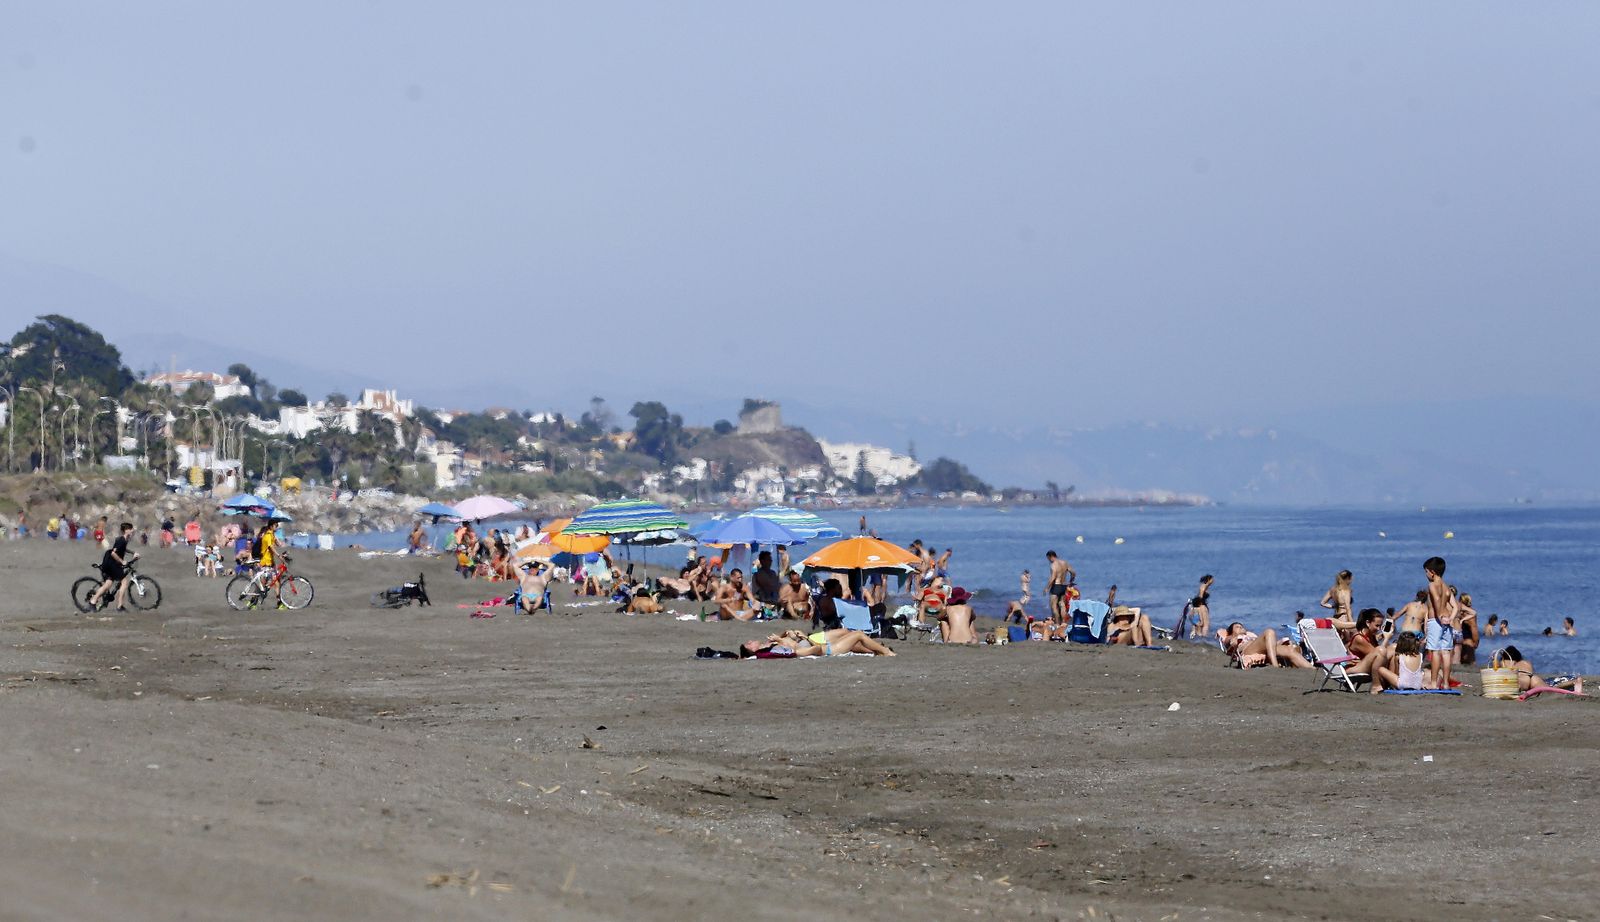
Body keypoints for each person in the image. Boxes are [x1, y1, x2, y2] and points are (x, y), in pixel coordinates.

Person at [1423, 557, 1458, 690]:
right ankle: (1446, 683)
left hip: (1436, 621)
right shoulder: (1447, 587)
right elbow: (1455, 607)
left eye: (1426, 572)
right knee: (1446, 653)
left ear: (1432, 572)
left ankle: (1433, 683)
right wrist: (1450, 619)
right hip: (1447, 622)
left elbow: (1437, 601)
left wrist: (1440, 616)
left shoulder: (1432, 585)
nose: (1426, 575)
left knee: (1436, 652)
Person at [739, 628, 895, 658]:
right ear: (752, 650)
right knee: (858, 635)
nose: (750, 641)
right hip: (828, 650)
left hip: (823, 647)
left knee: (855, 634)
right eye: (748, 644)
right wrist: (805, 639)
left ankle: (881, 651)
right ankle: (886, 652)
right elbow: (795, 650)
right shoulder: (772, 651)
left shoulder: (768, 647)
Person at [89, 522, 138, 610]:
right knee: (124, 582)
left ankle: (93, 601)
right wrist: (122, 561)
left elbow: (122, 549)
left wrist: (133, 553)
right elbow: (113, 553)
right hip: (111, 563)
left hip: (111, 562)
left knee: (108, 584)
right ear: (126, 530)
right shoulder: (121, 540)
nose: (133, 531)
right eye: (131, 529)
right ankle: (119, 606)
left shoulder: (124, 539)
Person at [1499, 646, 1583, 695]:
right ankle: (1574, 682)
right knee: (1550, 689)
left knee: (1549, 689)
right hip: (1531, 678)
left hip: (1518, 679)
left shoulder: (1503, 662)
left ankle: (1574, 682)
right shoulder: (1525, 663)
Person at [1045, 550, 1075, 623]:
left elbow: (1053, 577)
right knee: (1062, 605)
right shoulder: (1064, 563)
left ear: (1050, 557)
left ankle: (1057, 624)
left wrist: (1047, 588)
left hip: (1056, 586)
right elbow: (1073, 573)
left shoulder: (1053, 565)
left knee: (1053, 606)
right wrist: (1071, 581)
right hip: (1064, 586)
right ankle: (1064, 623)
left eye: (1048, 559)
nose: (1049, 561)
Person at [1455, 592, 1480, 666]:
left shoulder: (1457, 612)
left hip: (1459, 640)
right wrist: (1476, 642)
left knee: (1459, 662)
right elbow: (1474, 628)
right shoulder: (1470, 614)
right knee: (1471, 664)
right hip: (1468, 641)